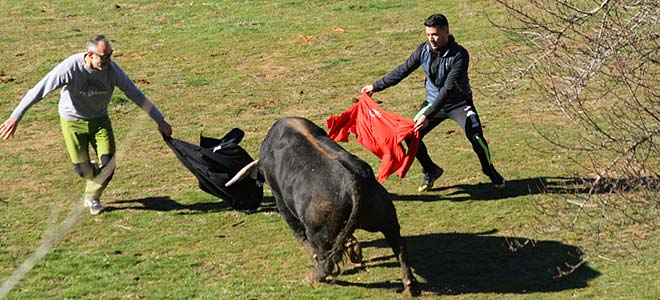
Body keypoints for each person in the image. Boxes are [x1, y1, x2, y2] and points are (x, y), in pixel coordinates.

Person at [0, 35, 172, 214]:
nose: (107, 61)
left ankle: (92, 198)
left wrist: (160, 120)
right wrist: (15, 118)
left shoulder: (113, 71)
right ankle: (90, 172)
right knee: (83, 171)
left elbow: (135, 94)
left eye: (110, 55)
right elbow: (39, 90)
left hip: (100, 122)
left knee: (108, 167)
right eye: (103, 57)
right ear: (90, 54)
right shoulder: (70, 67)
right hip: (72, 122)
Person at [361, 14, 505, 192]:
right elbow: (403, 70)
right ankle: (430, 170)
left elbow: (447, 89)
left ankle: (489, 169)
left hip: (459, 104)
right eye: (428, 34)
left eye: (435, 34)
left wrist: (427, 116)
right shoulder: (423, 50)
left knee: (476, 137)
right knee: (410, 135)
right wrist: (376, 86)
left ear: (446, 32)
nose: (431, 39)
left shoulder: (460, 55)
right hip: (432, 103)